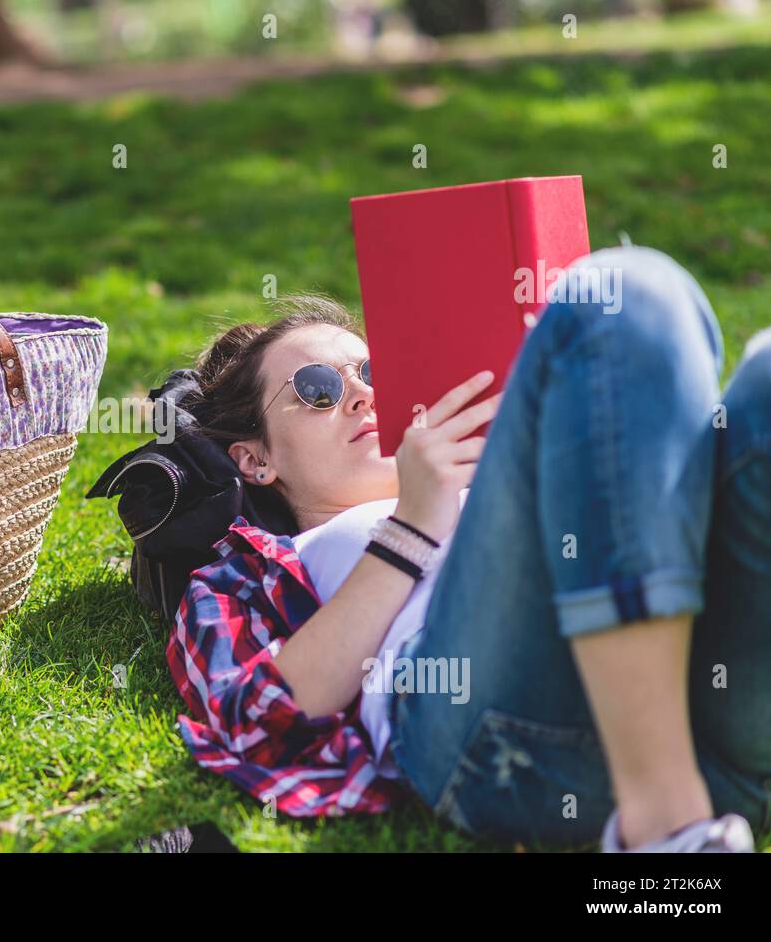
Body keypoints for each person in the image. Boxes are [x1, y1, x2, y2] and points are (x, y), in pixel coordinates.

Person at [166, 245, 770, 851]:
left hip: (721, 712)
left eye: (371, 373)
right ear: (256, 459)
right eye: (317, 389)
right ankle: (665, 826)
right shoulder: (252, 570)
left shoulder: (501, 477)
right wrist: (412, 527)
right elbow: (255, 717)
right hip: (511, 737)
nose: (361, 396)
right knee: (624, 290)